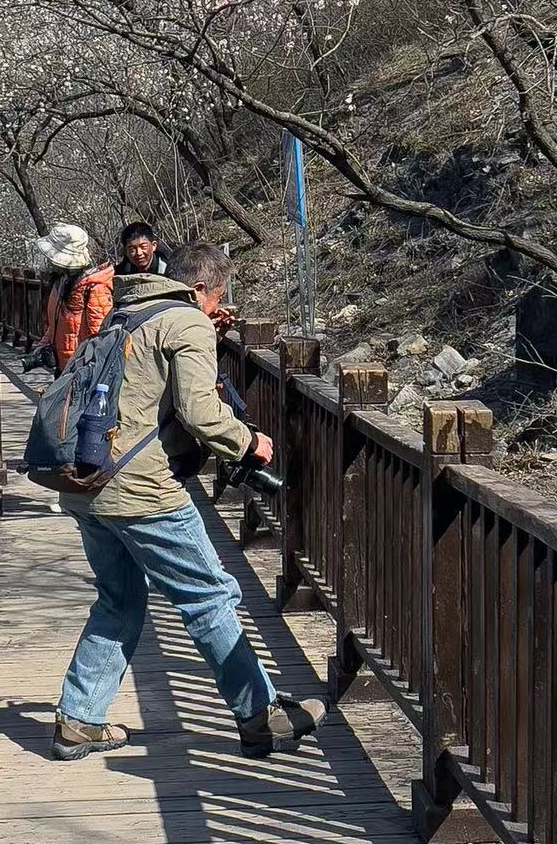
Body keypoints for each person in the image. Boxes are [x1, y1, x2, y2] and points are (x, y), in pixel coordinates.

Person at [51, 241, 325, 763]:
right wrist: (249, 441)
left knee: (119, 601)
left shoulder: (124, 314)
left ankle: (79, 719)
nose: (216, 307)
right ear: (199, 288)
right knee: (209, 597)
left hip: (87, 483)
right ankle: (260, 715)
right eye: (216, 297)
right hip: (143, 491)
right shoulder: (186, 322)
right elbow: (200, 412)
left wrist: (205, 332)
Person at [37, 223, 115, 373]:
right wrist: (43, 345)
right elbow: (56, 322)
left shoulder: (95, 288)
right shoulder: (62, 282)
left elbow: (100, 335)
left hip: (81, 368)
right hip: (64, 366)